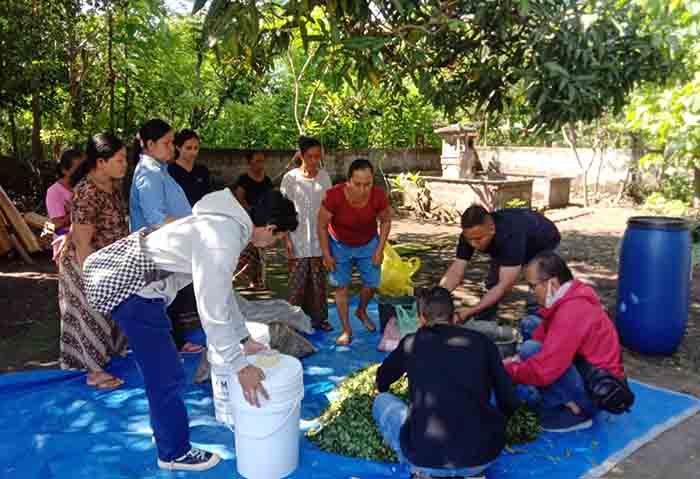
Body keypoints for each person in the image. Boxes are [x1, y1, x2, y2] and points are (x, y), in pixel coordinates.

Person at [103, 188, 298, 471]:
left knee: (165, 374)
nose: (276, 243)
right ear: (269, 227)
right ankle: (173, 453)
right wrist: (240, 366)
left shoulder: (225, 222)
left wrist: (243, 339)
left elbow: (223, 292)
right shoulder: (223, 238)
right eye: (279, 236)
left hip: (142, 290)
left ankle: (171, 447)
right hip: (136, 294)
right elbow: (211, 308)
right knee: (165, 377)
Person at [373, 287, 518, 479]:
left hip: (425, 457)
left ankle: (421, 473)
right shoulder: (483, 343)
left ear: (421, 319)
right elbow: (508, 398)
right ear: (455, 317)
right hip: (481, 456)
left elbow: (382, 379)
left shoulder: (411, 343)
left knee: (381, 401)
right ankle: (472, 473)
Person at [503, 251, 626, 432]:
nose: (531, 292)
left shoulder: (571, 311)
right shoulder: (571, 294)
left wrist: (509, 370)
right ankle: (565, 396)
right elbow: (542, 331)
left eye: (532, 286)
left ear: (551, 283)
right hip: (593, 374)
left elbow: (545, 369)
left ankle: (577, 412)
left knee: (531, 350)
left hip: (599, 392)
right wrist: (517, 361)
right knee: (531, 326)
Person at [58, 133, 129, 389]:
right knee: (91, 316)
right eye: (120, 160)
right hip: (84, 263)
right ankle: (95, 373)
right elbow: (82, 242)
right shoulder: (86, 192)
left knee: (110, 314)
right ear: (101, 162)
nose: (125, 164)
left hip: (108, 261)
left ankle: (106, 358)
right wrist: (92, 279)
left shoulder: (112, 185)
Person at [440, 204, 560, 322]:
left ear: (492, 229)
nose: (473, 244)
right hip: (511, 241)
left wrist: (469, 311)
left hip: (543, 242)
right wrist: (438, 296)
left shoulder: (509, 236)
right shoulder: (471, 234)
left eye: (478, 239)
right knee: (493, 283)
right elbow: (456, 270)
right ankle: (484, 322)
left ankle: (538, 324)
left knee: (537, 286)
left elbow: (504, 286)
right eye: (469, 239)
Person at [318, 159, 392, 345]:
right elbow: (321, 226)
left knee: (372, 283)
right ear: (348, 181)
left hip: (368, 243)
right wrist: (326, 254)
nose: (363, 189)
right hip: (339, 245)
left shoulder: (378, 195)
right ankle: (346, 329)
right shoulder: (334, 196)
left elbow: (385, 221)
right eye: (357, 184)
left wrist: (379, 249)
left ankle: (361, 310)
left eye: (367, 184)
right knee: (341, 286)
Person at [280, 136, 333, 331]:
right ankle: (292, 322)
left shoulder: (324, 177)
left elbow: (329, 209)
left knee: (319, 283)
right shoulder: (291, 179)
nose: (314, 161)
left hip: (320, 240)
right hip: (297, 237)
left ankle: (319, 319)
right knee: (297, 283)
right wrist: (286, 238)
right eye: (310, 156)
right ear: (301, 156)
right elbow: (283, 211)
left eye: (317, 157)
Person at [167, 129, 211, 354]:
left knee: (203, 281)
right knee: (174, 286)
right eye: (188, 148)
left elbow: (210, 200)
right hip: (176, 234)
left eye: (196, 148)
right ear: (177, 148)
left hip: (201, 233)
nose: (193, 153)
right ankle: (177, 339)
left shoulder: (202, 171)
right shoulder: (169, 172)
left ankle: (209, 327)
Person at [129, 118, 192, 232]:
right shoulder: (149, 172)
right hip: (159, 244)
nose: (172, 148)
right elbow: (157, 221)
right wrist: (192, 226)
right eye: (166, 143)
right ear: (151, 144)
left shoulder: (159, 169)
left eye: (172, 142)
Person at [233, 151, 273, 289]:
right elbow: (239, 198)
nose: (260, 164)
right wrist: (250, 211)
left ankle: (259, 281)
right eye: (257, 161)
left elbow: (271, 198)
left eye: (262, 161)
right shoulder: (243, 179)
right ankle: (242, 277)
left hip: (262, 220)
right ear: (249, 163)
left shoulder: (267, 180)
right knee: (249, 249)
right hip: (247, 219)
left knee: (261, 250)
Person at [46, 149, 82, 259]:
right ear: (64, 170)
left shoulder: (83, 186)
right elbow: (55, 224)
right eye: (78, 168)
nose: (83, 171)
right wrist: (75, 211)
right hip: (65, 246)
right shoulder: (54, 191)